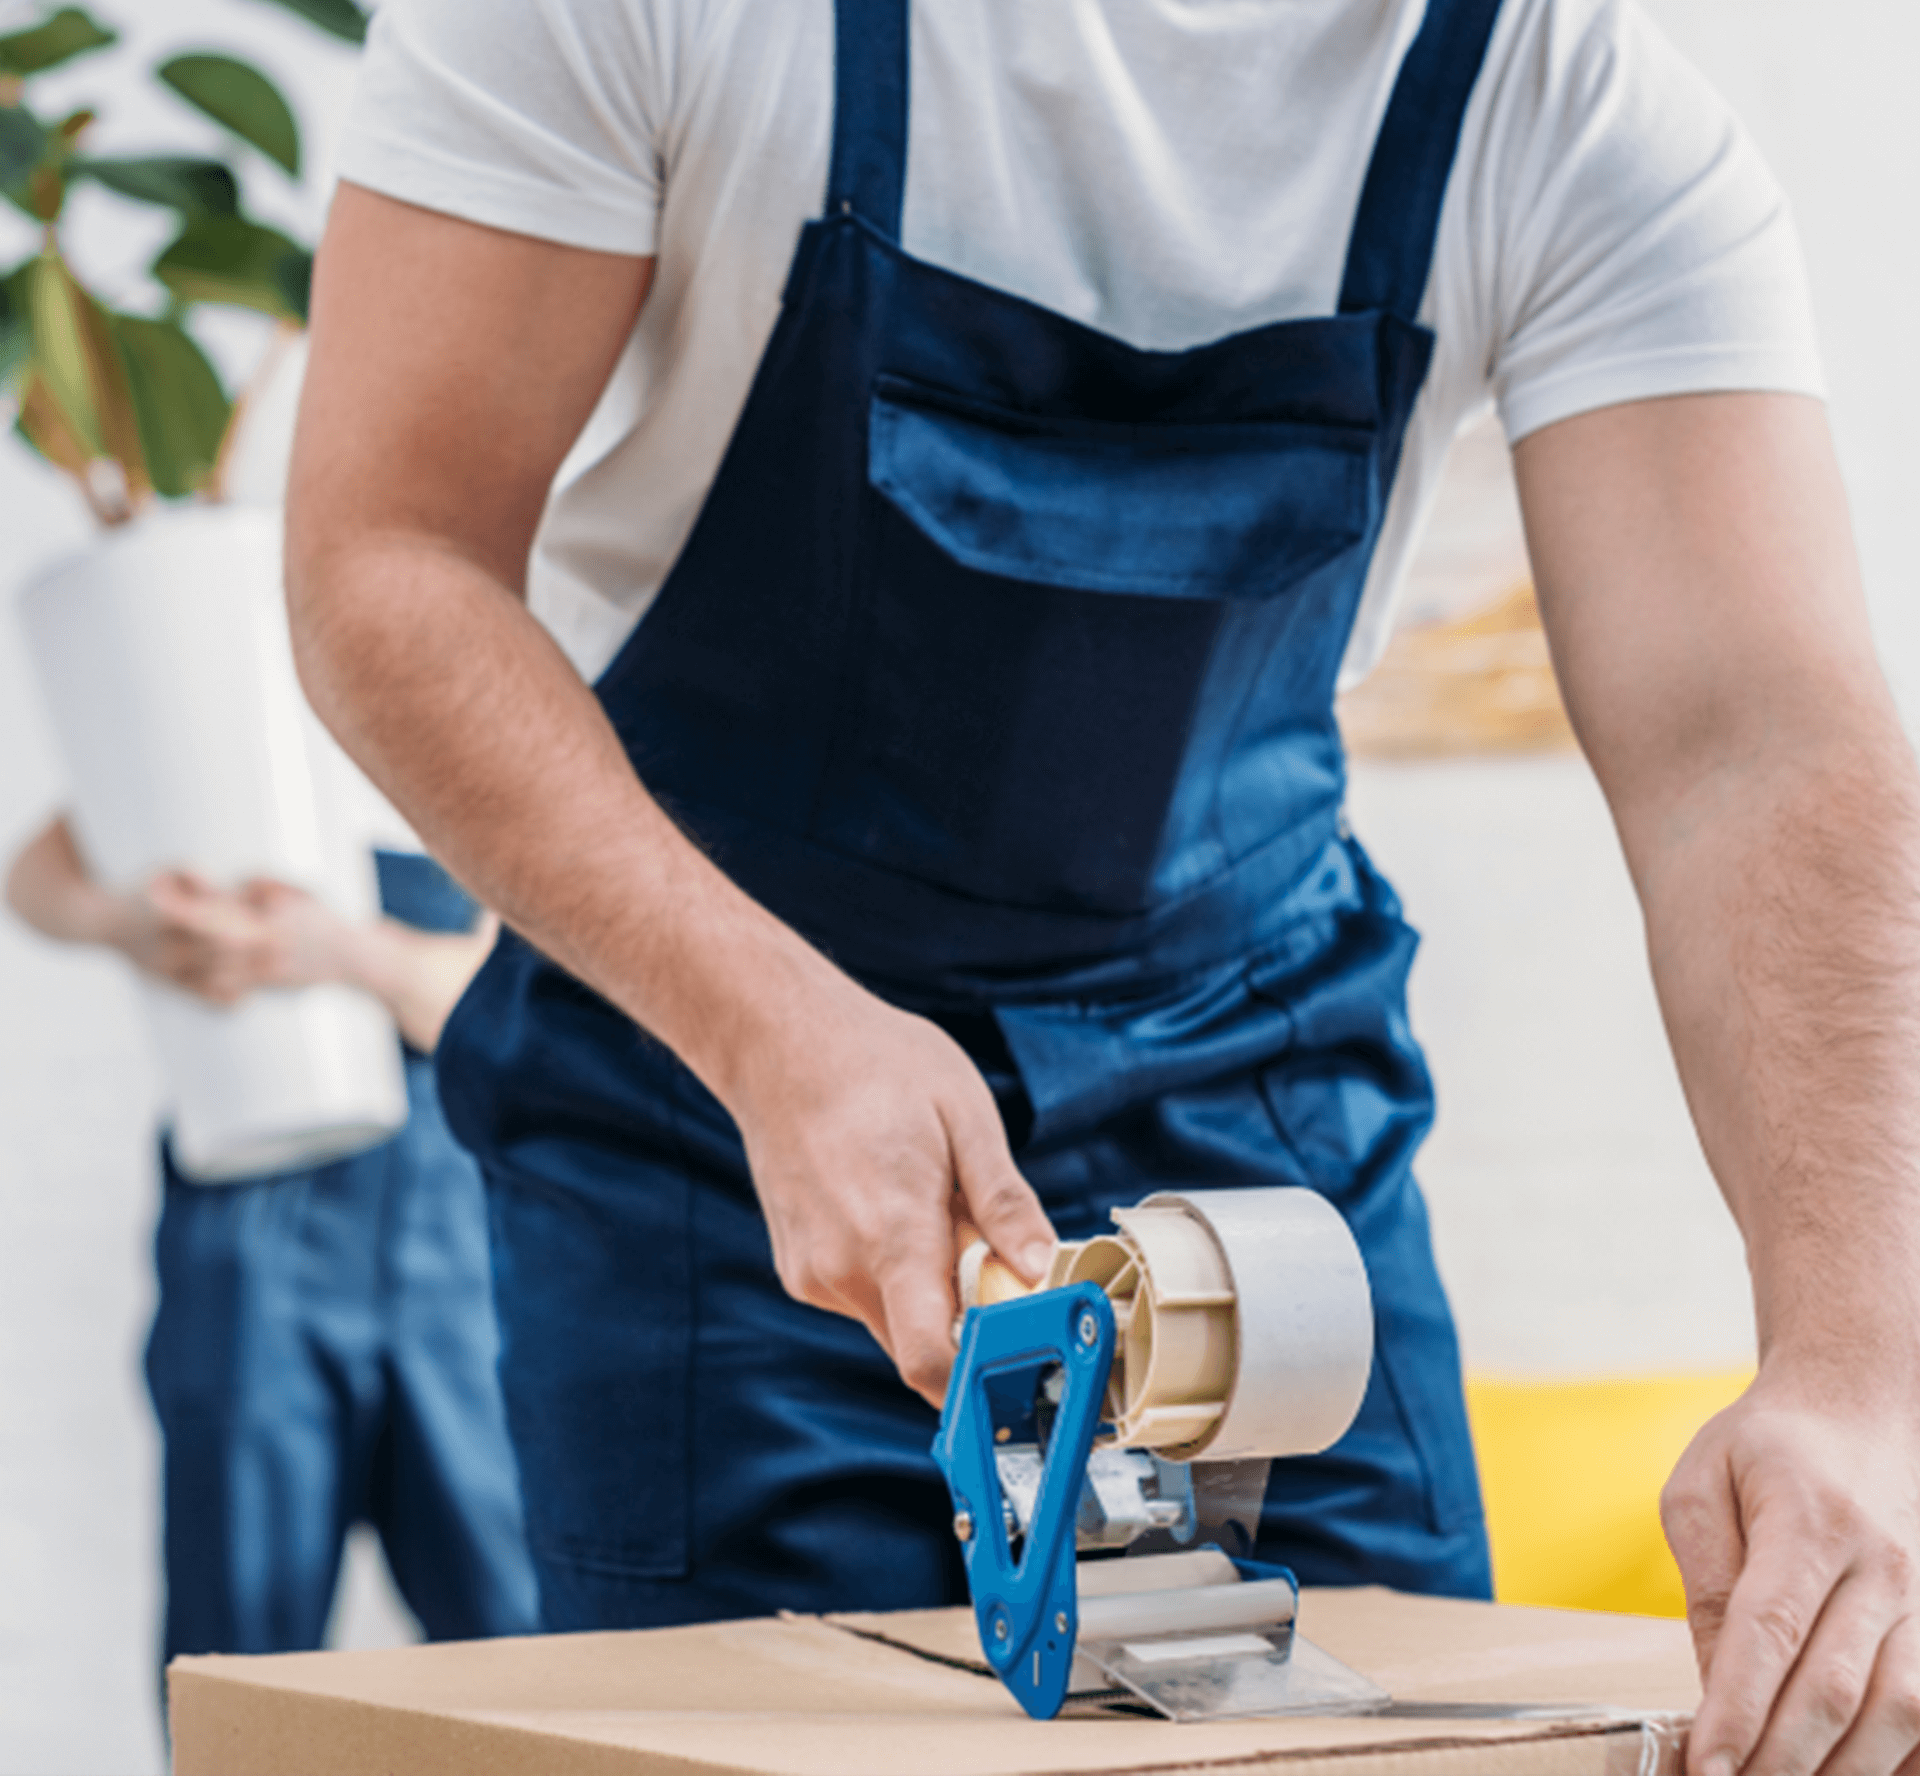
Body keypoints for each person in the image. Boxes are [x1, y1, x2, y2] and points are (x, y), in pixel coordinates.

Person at [286, 2, 1920, 1773]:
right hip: (724, 1112)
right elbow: (388, 559)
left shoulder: (1571, 104)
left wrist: (1861, 1370)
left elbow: (1756, 747)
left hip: (1257, 1121)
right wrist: (768, 1030)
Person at [4, 817, 540, 1663]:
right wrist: (127, 923)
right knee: (239, 1642)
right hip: (245, 1217)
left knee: (518, 1636)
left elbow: (529, 1004)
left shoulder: (477, 735)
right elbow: (37, 869)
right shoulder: (230, 712)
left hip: (457, 1222)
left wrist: (341, 955)